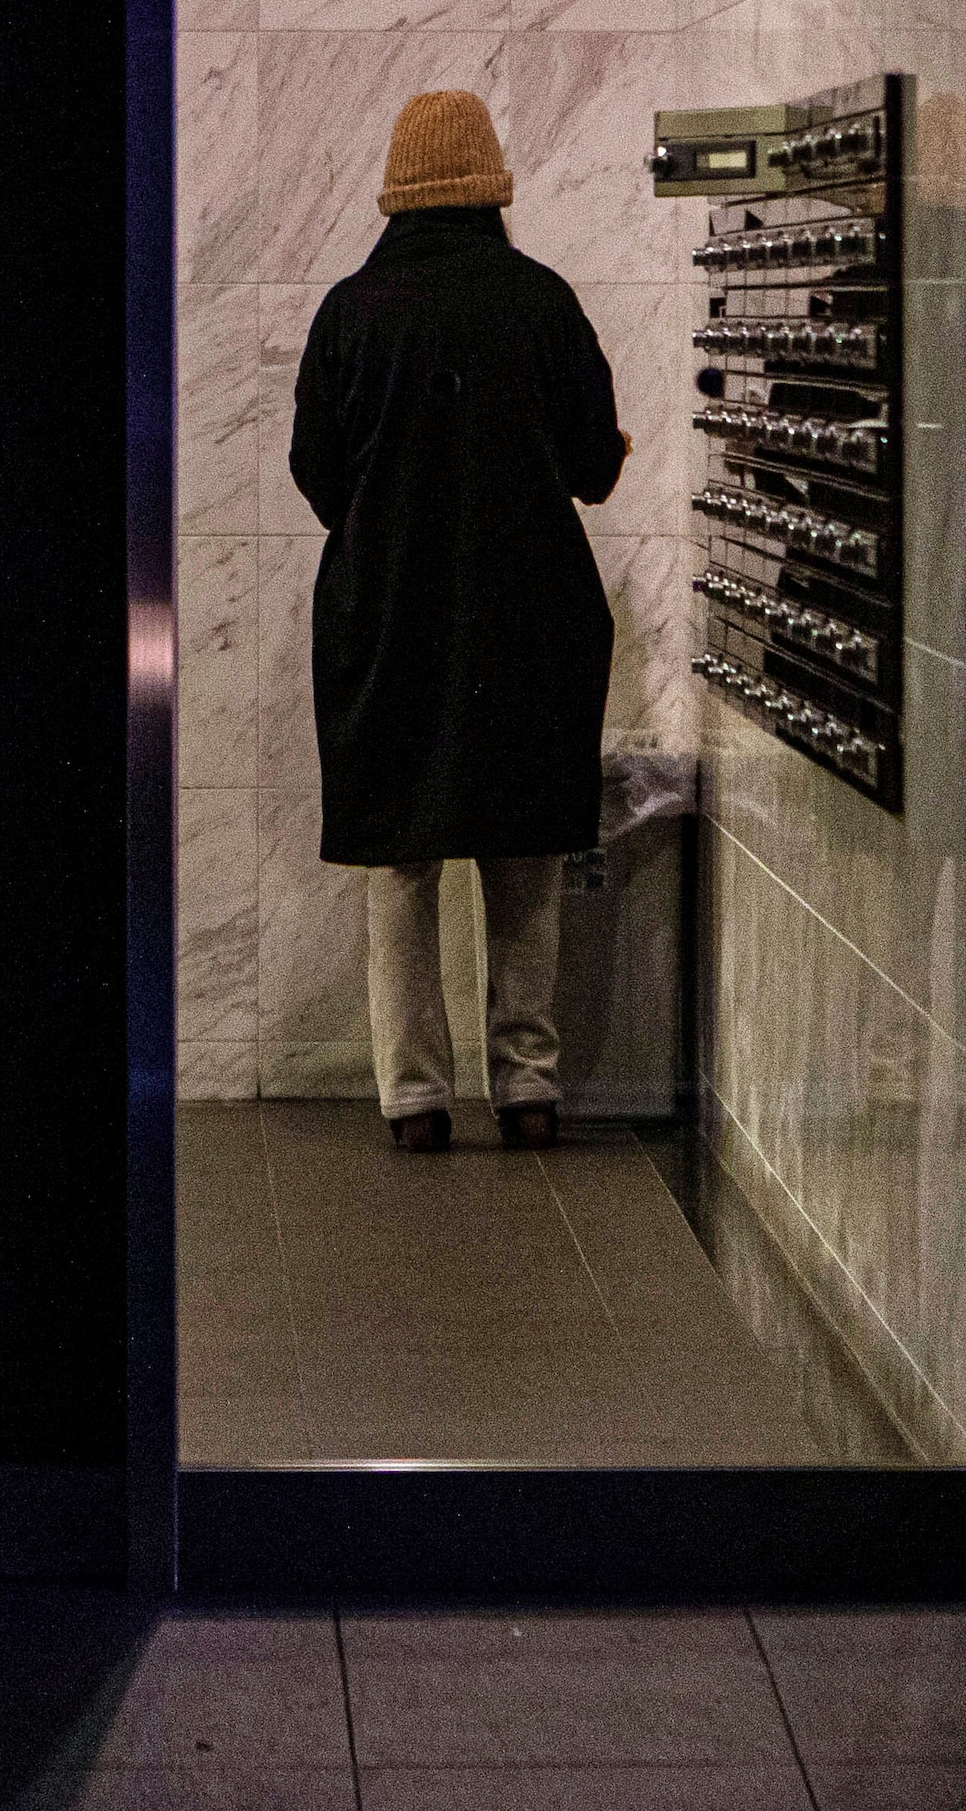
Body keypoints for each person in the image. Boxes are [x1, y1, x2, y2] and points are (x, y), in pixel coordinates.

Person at [289, 88, 631, 1152]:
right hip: (527, 613)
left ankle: (411, 1097)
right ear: (491, 186)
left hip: (385, 613)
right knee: (522, 847)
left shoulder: (349, 310)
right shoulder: (541, 301)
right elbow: (588, 467)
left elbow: (315, 470)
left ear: (394, 191)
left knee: (400, 856)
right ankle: (526, 1085)